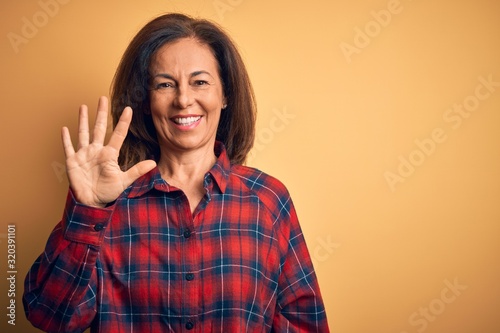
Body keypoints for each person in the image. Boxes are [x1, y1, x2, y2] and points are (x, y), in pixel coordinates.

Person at [23, 13, 329, 332]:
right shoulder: (109, 205)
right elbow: (49, 316)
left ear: (225, 95)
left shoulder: (268, 201)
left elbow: (306, 325)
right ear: (145, 100)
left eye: (200, 82)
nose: (183, 100)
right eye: (165, 84)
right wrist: (88, 211)